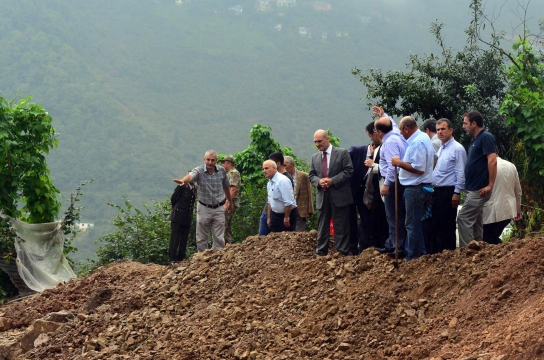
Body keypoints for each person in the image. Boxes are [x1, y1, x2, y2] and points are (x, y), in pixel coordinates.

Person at [391, 116, 434, 261]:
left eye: (401, 131)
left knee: (412, 225)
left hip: (415, 188)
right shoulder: (424, 137)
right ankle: (420, 256)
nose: (401, 134)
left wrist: (399, 163)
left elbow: (419, 168)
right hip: (421, 187)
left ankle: (413, 257)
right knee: (416, 224)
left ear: (406, 129)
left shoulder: (417, 142)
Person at [173, 150, 233, 252]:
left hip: (219, 207)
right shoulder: (199, 170)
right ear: (204, 160)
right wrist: (183, 180)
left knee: (219, 237)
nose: (210, 162)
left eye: (212, 160)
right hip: (204, 208)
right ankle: (202, 258)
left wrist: (229, 201)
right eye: (208, 160)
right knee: (201, 237)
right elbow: (191, 176)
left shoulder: (222, 171)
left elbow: (226, 187)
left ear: (216, 161)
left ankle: (218, 258)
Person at [309, 129, 354, 256]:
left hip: (339, 195)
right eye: (315, 142)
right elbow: (311, 175)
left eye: (320, 141)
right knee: (322, 226)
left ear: (327, 139)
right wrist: (319, 181)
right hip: (322, 196)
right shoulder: (315, 157)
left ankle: (341, 253)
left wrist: (332, 181)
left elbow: (349, 171)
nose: (317, 144)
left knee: (341, 226)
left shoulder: (342, 153)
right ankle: (321, 254)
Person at [457, 110, 497, 247]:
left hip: (479, 189)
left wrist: (490, 185)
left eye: (465, 123)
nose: (464, 126)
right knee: (476, 220)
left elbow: (492, 161)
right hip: (474, 189)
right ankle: (479, 251)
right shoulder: (476, 140)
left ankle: (467, 252)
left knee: (463, 218)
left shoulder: (486, 137)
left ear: (474, 124)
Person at [431, 118, 466, 253]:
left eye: (443, 129)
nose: (440, 132)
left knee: (447, 225)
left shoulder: (457, 149)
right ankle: (439, 254)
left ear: (451, 130)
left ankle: (448, 254)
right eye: (438, 129)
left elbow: (460, 171)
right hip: (437, 191)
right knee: (437, 225)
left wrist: (457, 192)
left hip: (448, 191)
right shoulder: (441, 148)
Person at [375, 116, 408, 258]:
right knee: (398, 214)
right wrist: (383, 114)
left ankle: (396, 245)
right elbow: (393, 124)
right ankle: (394, 243)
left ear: (379, 132)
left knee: (393, 215)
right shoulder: (397, 135)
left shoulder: (389, 142)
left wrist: (386, 185)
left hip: (395, 181)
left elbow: (391, 166)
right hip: (402, 180)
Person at [482, 157, 522, 244]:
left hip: (491, 213)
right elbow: (518, 191)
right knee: (493, 238)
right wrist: (517, 210)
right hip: (508, 212)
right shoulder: (511, 166)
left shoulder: (484, 166)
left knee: (487, 240)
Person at [363, 121, 388, 249]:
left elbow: (389, 169)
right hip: (377, 192)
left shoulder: (389, 146)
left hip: (386, 189)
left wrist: (373, 164)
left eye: (371, 135)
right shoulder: (377, 149)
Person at [348, 143, 370, 255]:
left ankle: (366, 248)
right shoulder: (356, 151)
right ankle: (352, 249)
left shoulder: (379, 155)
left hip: (366, 194)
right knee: (351, 221)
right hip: (351, 192)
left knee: (366, 220)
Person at [263, 160, 297, 232]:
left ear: (274, 168)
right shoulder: (269, 183)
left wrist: (286, 217)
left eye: (266, 168)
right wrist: (269, 217)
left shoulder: (282, 181)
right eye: (263, 169)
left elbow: (289, 202)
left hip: (287, 215)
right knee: (274, 238)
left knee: (286, 239)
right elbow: (270, 201)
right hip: (275, 215)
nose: (264, 171)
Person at [168, 180, 196, 263]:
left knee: (184, 239)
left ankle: (180, 258)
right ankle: (172, 258)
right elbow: (173, 198)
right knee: (175, 238)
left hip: (187, 217)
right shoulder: (181, 187)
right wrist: (176, 209)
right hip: (178, 215)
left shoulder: (194, 188)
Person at [284, 156, 314, 232]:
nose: (284, 168)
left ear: (291, 165)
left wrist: (310, 209)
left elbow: (309, 193)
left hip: (300, 210)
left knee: (299, 234)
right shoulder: (282, 177)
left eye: (285, 165)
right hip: (287, 210)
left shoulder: (304, 176)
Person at [220, 156, 241, 244]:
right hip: (229, 201)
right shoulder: (229, 173)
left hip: (230, 201)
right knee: (227, 225)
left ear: (229, 164)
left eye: (223, 163)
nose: (222, 165)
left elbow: (233, 189)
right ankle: (228, 244)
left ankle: (220, 246)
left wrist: (228, 202)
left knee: (222, 223)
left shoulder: (233, 173)